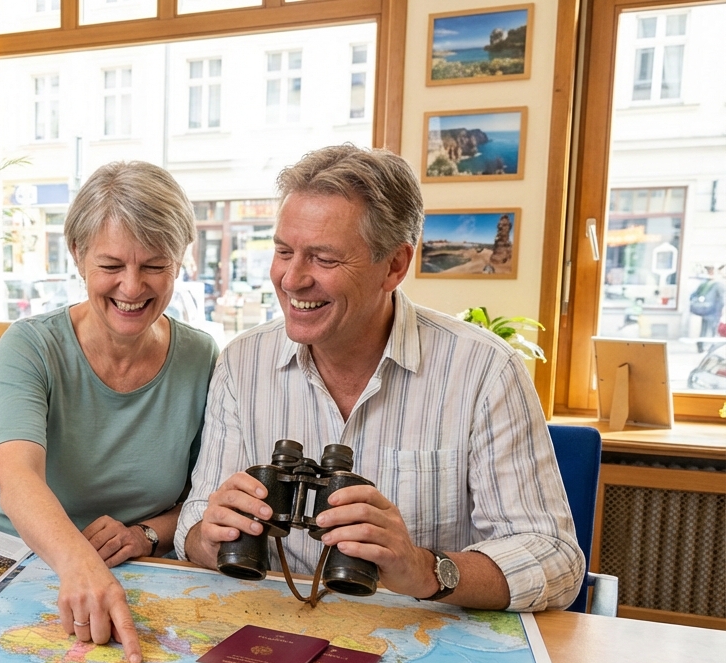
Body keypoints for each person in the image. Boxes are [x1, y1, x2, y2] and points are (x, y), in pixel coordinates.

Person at [175, 145, 584, 612]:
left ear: (395, 265)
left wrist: (424, 569)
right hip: (276, 626)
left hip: (419, 643)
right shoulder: (242, 363)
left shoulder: (484, 371)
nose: (290, 279)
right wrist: (211, 537)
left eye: (323, 259)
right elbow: (194, 521)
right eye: (284, 251)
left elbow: (554, 558)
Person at [0, 161, 219, 663]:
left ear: (180, 261)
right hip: (20, 569)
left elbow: (204, 500)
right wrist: (79, 564)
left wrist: (146, 534)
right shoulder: (30, 347)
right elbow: (17, 475)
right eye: (111, 266)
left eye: (154, 265)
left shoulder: (202, 358)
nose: (132, 288)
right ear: (78, 256)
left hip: (143, 578)